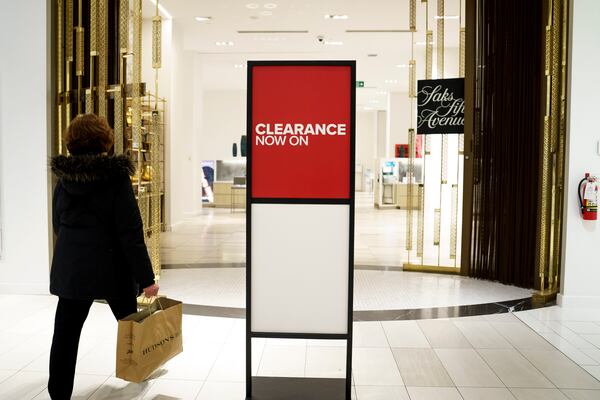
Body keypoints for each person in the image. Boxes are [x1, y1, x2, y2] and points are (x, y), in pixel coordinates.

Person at [48, 114, 159, 399]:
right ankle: (143, 368)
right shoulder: (115, 178)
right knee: (132, 323)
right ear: (104, 142)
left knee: (66, 333)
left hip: (73, 268)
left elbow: (58, 222)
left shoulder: (64, 178)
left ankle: (59, 392)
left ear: (71, 142)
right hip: (112, 267)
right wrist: (147, 278)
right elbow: (130, 232)